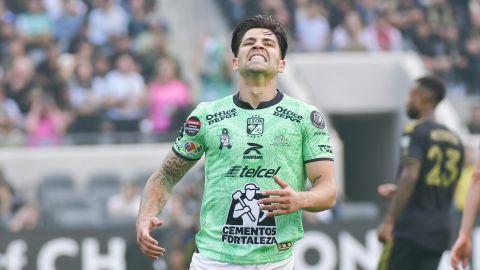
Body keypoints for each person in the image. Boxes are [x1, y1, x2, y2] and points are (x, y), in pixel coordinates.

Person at [136, 15, 337, 269]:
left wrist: (300, 200)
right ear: (234, 61)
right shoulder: (206, 115)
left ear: (282, 64)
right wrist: (144, 217)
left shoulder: (305, 117)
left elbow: (328, 189)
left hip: (275, 262)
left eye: (268, 43)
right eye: (249, 42)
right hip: (213, 261)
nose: (258, 46)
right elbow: (165, 176)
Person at [376, 76, 465, 270]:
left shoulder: (416, 131)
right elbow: (447, 187)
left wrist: (389, 221)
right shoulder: (455, 140)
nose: (407, 101)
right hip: (439, 233)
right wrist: (399, 190)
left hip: (410, 229)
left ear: (423, 99)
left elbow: (411, 175)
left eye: (411, 95)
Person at [450, 148, 480, 270]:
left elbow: (477, 179)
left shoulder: (472, 170)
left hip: (474, 213)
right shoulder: (460, 171)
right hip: (459, 211)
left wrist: (464, 234)